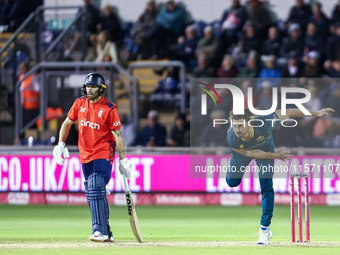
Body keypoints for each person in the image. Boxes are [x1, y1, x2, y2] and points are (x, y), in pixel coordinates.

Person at [226, 107, 334, 245]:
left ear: (250, 122)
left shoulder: (265, 122)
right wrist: (274, 156)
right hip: (243, 152)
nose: (237, 130)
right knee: (232, 182)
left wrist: (316, 113)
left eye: (240, 125)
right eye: (234, 126)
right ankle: (233, 161)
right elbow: (249, 153)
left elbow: (289, 112)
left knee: (266, 188)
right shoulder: (232, 136)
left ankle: (264, 230)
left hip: (265, 150)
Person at [52, 73, 132, 242]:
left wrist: (123, 159)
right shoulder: (79, 103)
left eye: (93, 87)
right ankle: (106, 230)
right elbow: (67, 123)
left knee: (96, 183)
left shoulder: (110, 109)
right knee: (92, 191)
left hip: (104, 150)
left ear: (101, 89)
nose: (89, 89)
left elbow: (118, 136)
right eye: (88, 86)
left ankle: (99, 231)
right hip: (85, 153)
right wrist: (60, 144)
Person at [19, 62, 40, 128]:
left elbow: (38, 90)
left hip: (33, 106)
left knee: (32, 126)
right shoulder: (21, 77)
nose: (21, 70)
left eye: (22, 68)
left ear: (26, 68)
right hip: (24, 106)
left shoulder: (32, 77)